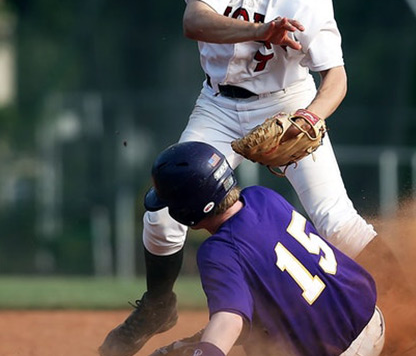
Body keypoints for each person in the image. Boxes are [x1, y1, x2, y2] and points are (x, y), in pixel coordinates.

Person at [100, 0, 411, 354]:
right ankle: (157, 303)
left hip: (285, 104)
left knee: (336, 220)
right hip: (218, 106)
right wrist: (264, 30)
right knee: (164, 209)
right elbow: (194, 22)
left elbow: (336, 79)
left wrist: (309, 118)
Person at [142, 141, 386, 356]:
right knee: (260, 327)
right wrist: (198, 341)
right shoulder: (262, 196)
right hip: (374, 321)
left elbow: (230, 319)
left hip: (339, 351)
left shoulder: (217, 251)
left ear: (186, 213)